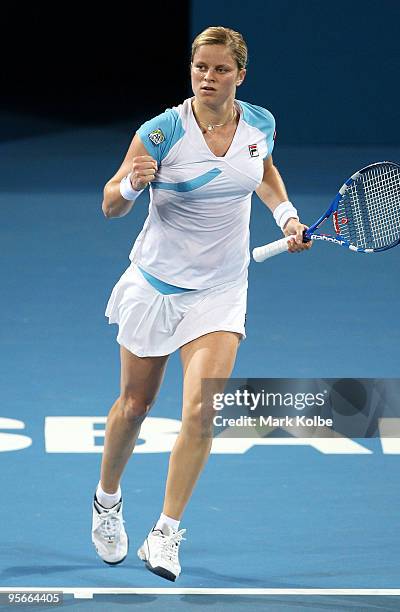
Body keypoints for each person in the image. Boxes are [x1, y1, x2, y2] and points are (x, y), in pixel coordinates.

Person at [91, 25, 312, 582]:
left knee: (200, 410)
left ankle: (165, 533)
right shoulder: (162, 132)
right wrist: (133, 187)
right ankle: (107, 501)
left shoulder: (260, 123)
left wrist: (285, 215)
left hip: (220, 289)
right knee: (134, 407)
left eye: (219, 70)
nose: (207, 79)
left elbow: (261, 173)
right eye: (200, 69)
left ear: (240, 74)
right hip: (157, 286)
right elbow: (109, 206)